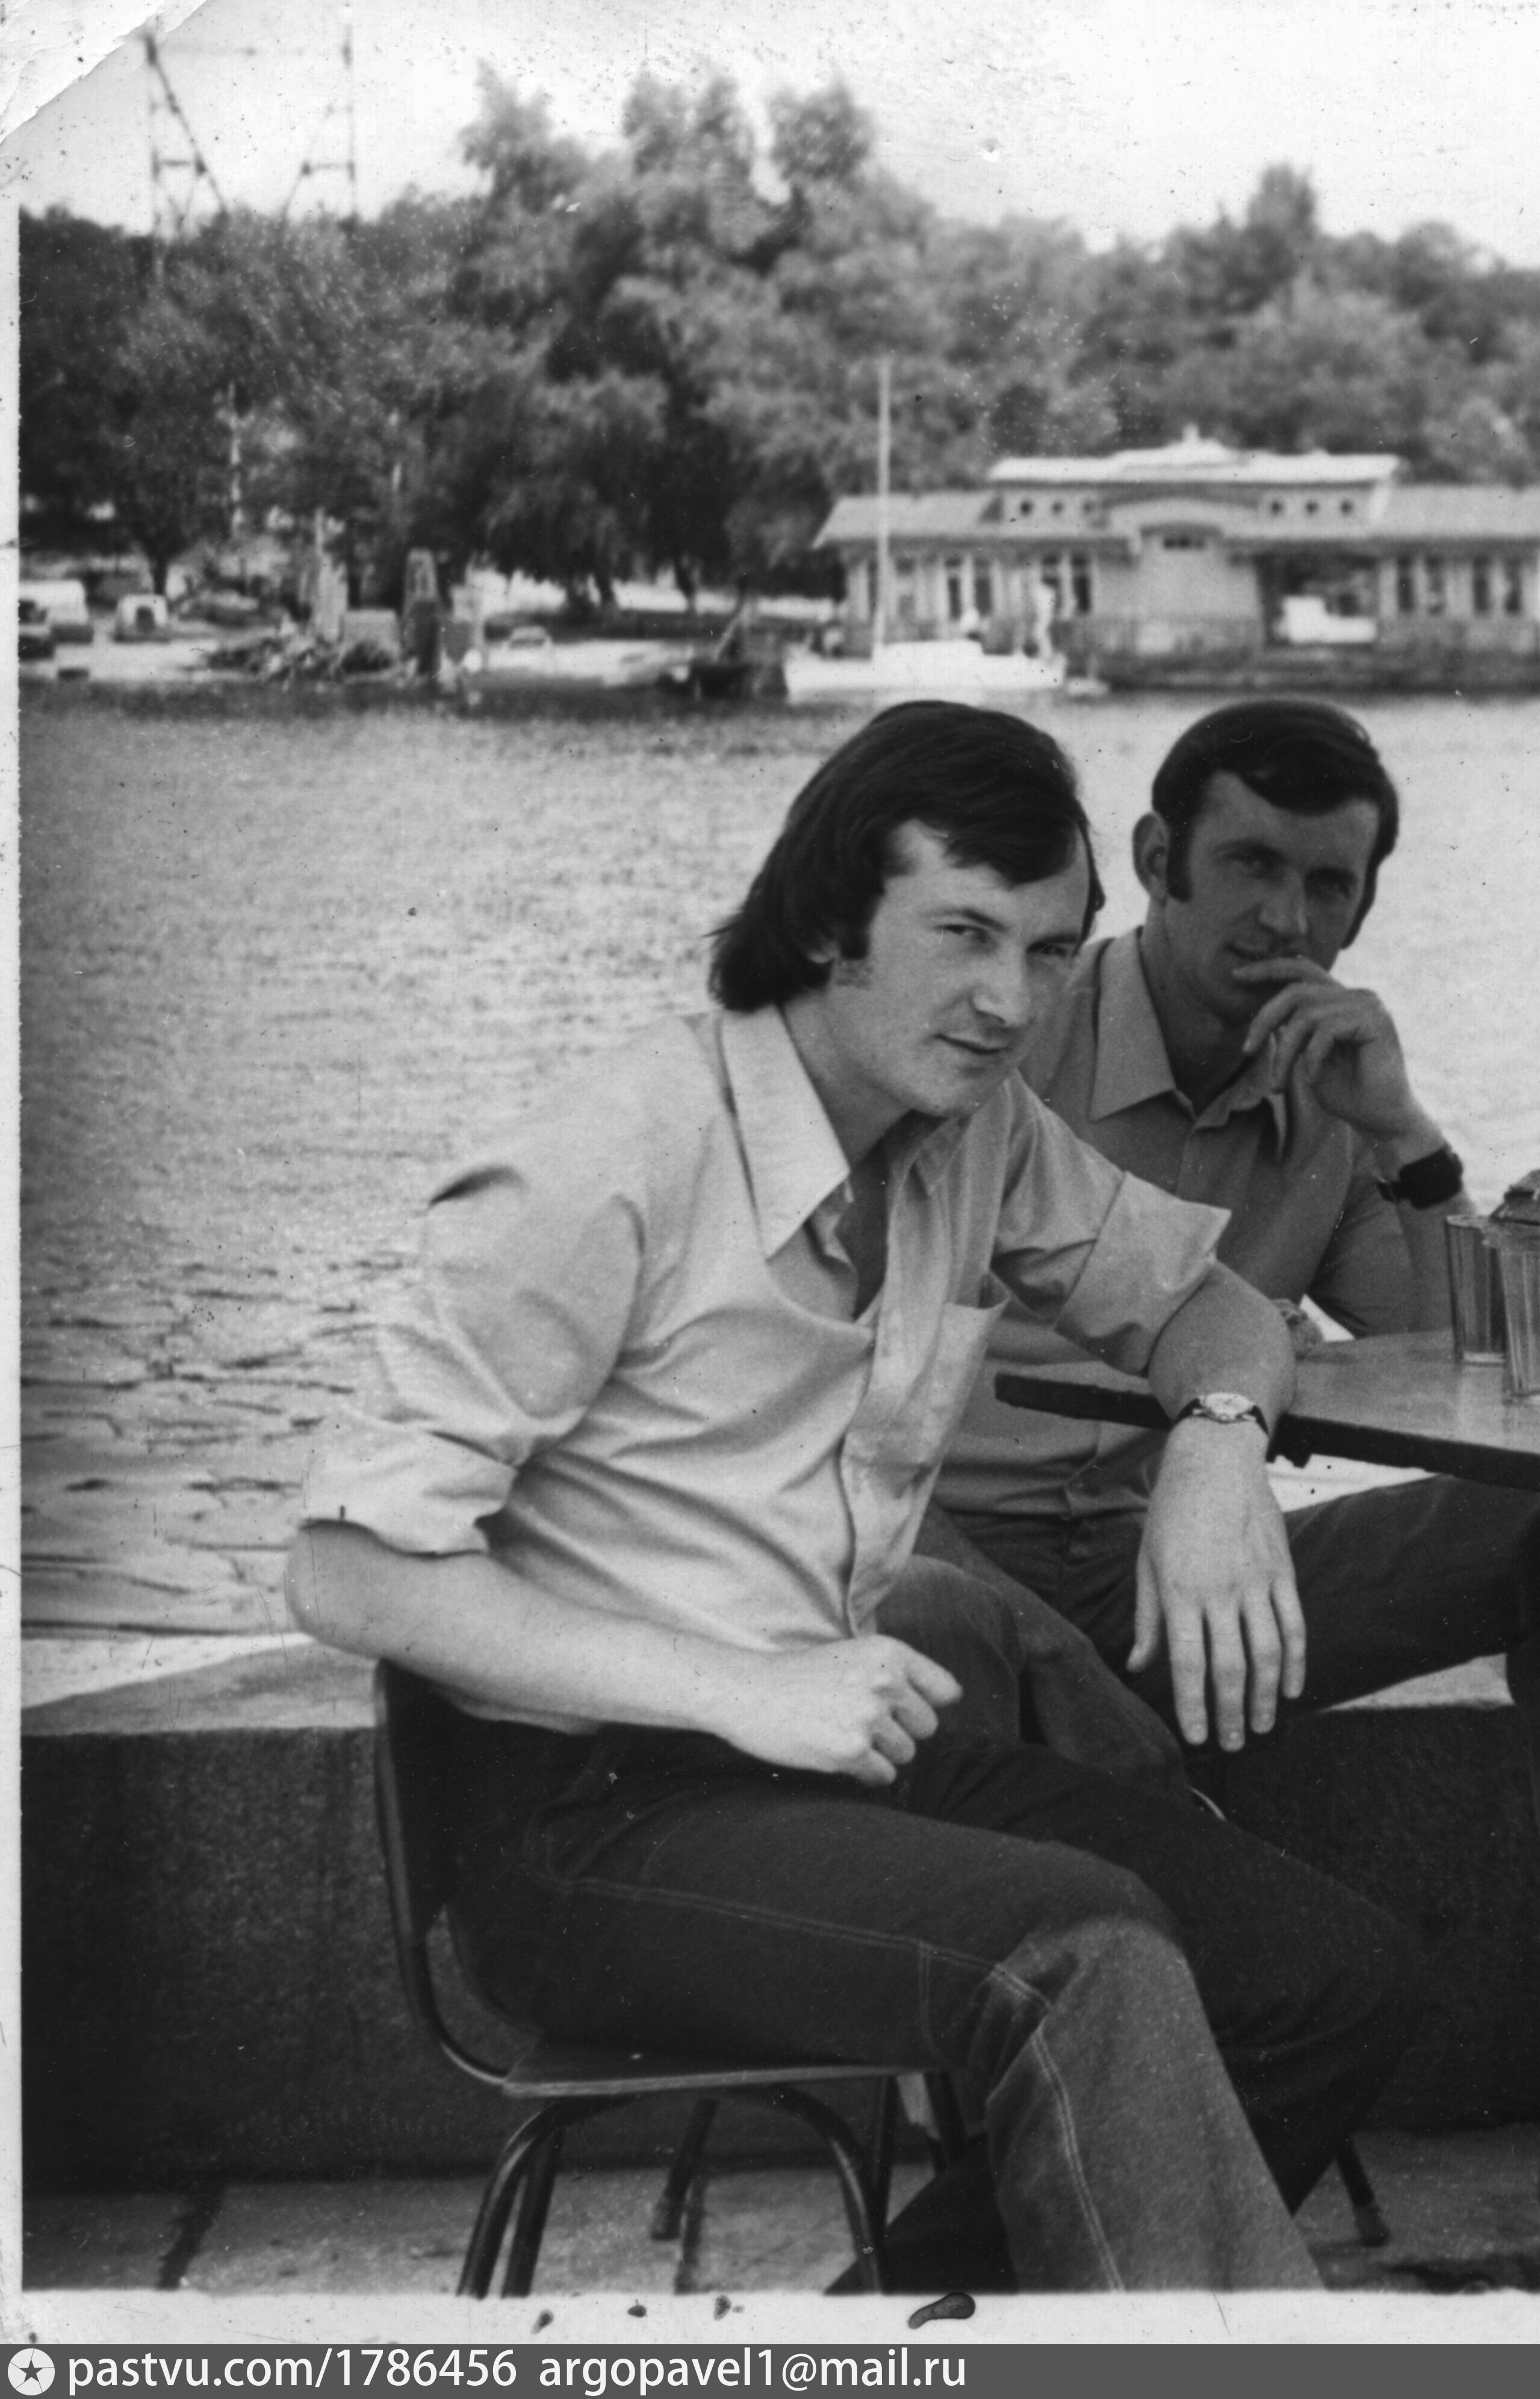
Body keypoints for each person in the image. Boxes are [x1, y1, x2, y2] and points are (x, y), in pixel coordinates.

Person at [284, 701, 1423, 2292]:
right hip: (578, 1823)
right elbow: (348, 1569)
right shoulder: (610, 1157)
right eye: (963, 933)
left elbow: (1211, 1304)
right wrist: (740, 1685)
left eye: (1049, 950)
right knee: (1081, 1951)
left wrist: (1219, 1444)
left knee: (1329, 1972)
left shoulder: (975, 1132)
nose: (1010, 1000)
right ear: (831, 922)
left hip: (825, 1767)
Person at [921, 698, 1540, 2276]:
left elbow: (1474, 1370)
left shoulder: (1324, 1089)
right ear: (1154, 857)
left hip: (1185, 1579)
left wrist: (1405, 1134)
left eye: (1327, 884)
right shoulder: (1016, 1037)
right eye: (1249, 865)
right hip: (961, 1584)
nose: (1285, 918)